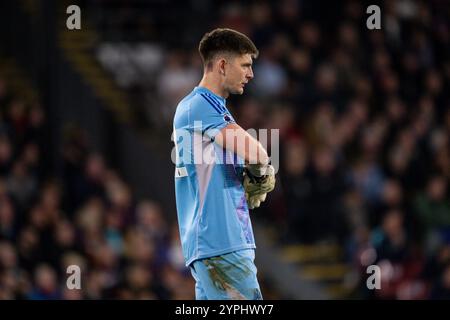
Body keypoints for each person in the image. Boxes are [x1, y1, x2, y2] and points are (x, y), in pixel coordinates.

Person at [172, 28, 276, 300]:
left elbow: (215, 167)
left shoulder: (206, 108)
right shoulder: (200, 106)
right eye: (245, 65)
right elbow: (257, 152)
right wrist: (260, 172)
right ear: (222, 65)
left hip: (214, 246)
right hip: (221, 244)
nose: (250, 74)